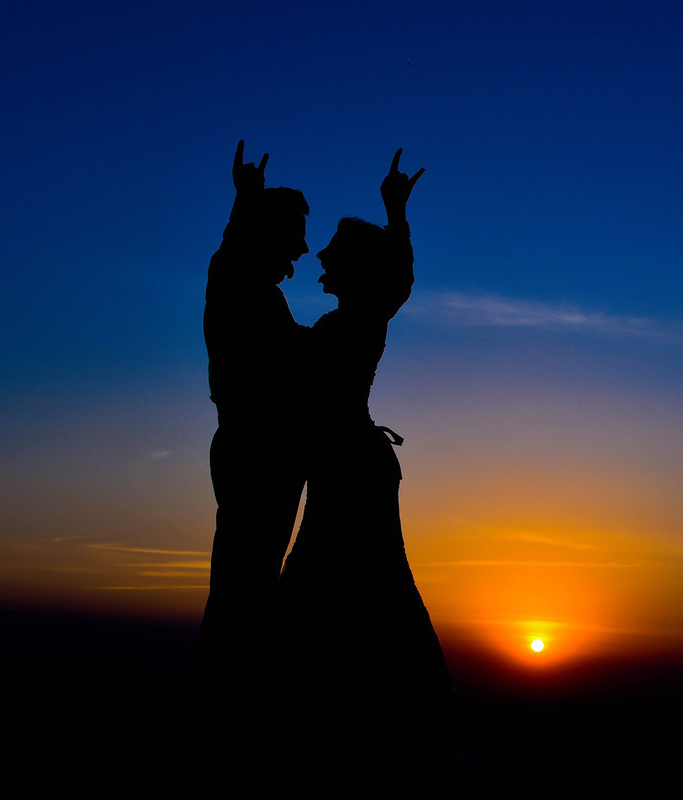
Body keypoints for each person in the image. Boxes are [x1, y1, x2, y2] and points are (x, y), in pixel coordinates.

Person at [276, 151, 452, 766]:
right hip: (348, 465)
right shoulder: (341, 323)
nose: (321, 262)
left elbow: (397, 282)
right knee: (360, 582)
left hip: (353, 467)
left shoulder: (361, 318)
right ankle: (396, 712)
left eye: (332, 257)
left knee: (352, 582)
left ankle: (407, 716)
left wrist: (396, 214)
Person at [197, 141, 310, 694]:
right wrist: (245, 201)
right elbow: (230, 254)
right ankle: (228, 695)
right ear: (269, 234)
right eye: (296, 234)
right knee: (244, 587)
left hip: (260, 457)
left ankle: (232, 687)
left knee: (248, 585)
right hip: (254, 458)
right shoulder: (241, 286)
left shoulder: (253, 289)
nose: (305, 248)